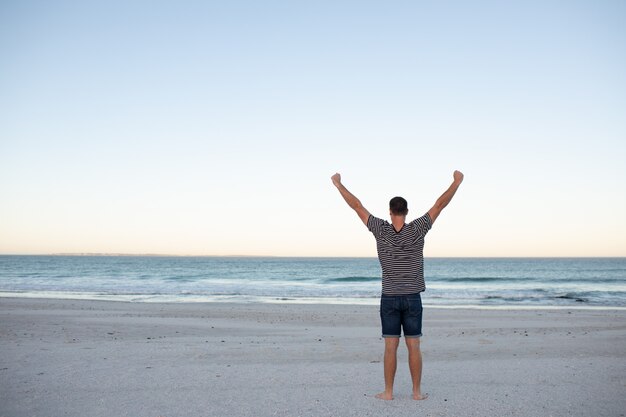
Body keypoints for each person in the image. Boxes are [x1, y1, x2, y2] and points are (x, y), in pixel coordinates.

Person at [330, 170, 464, 401]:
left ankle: (389, 392)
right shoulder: (418, 228)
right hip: (412, 298)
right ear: (407, 212)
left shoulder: (380, 229)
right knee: (414, 346)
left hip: (390, 298)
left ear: (390, 212)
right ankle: (416, 392)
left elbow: (357, 206)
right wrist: (456, 182)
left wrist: (339, 185)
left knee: (390, 347)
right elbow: (440, 204)